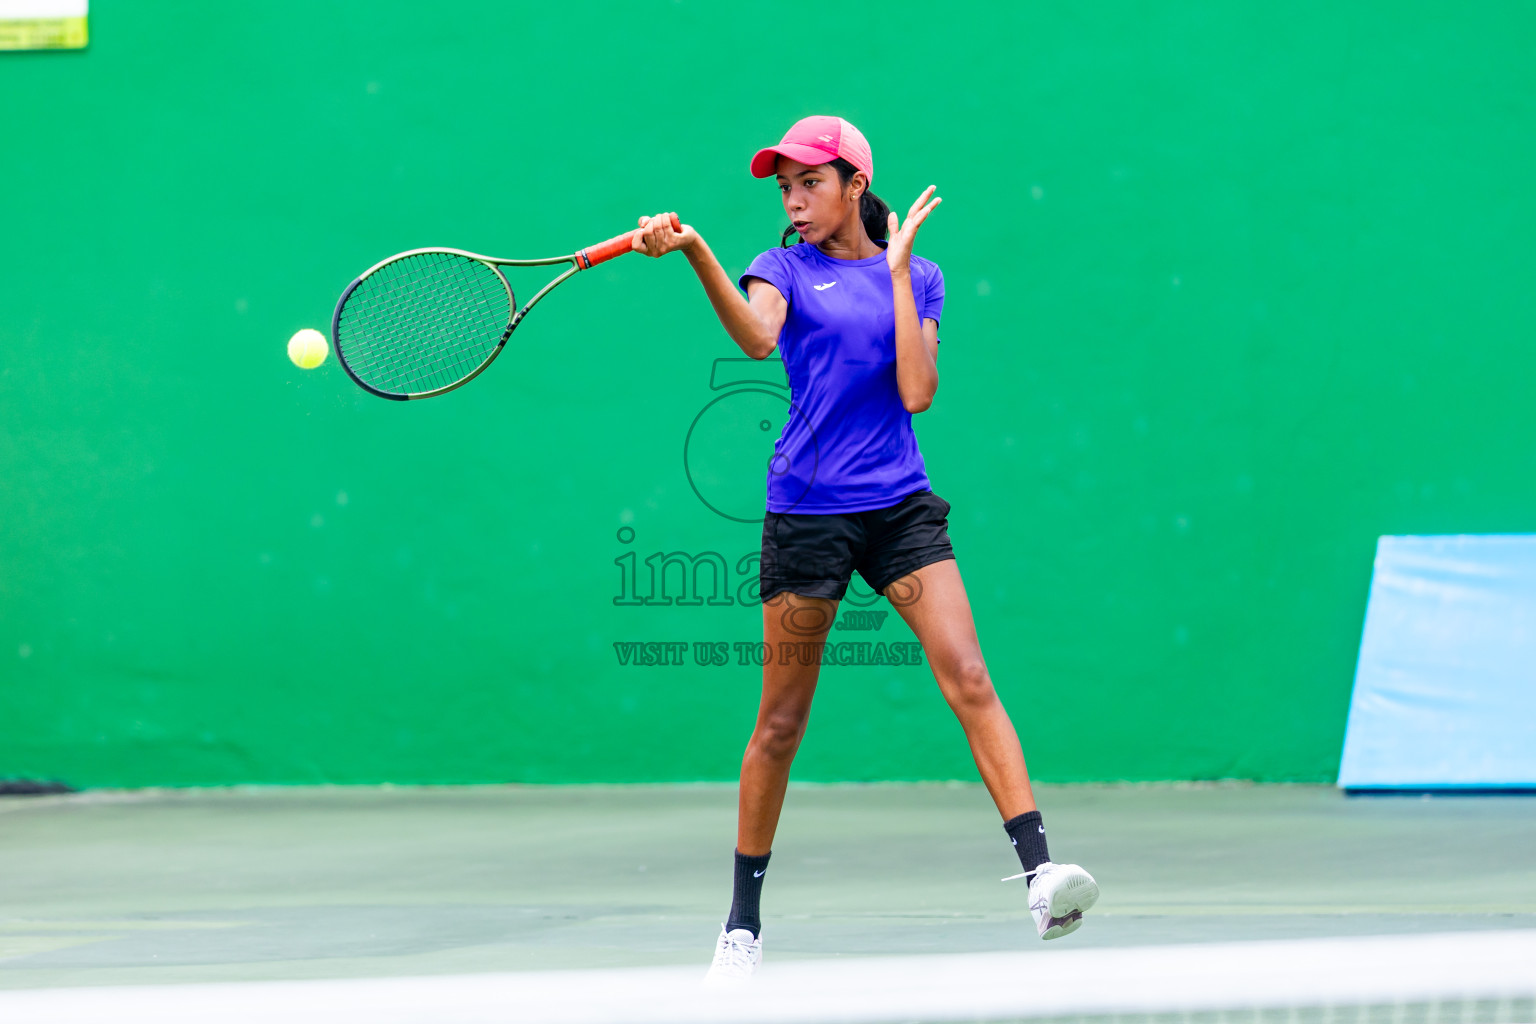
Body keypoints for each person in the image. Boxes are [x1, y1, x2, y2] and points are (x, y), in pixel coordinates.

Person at [631, 115, 1098, 985]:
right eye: (784, 188)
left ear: (854, 183)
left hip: (899, 510)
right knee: (780, 724)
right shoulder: (782, 268)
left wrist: (890, 274)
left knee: (969, 675)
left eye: (810, 182)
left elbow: (917, 392)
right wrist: (698, 252)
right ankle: (742, 925)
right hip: (807, 514)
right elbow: (758, 338)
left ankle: (1042, 877)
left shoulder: (919, 273)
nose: (794, 201)